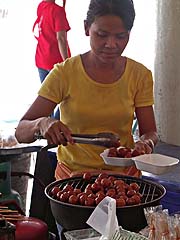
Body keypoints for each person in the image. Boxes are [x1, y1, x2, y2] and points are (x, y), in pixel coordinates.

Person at [16, 0, 159, 190]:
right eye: (102, 35)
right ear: (86, 28)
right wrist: (42, 124)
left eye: (121, 36)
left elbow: (150, 132)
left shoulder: (140, 75)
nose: (111, 44)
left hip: (124, 184)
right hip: (72, 183)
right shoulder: (64, 73)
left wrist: (145, 143)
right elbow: (21, 132)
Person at [33, 0, 71, 119]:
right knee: (66, 99)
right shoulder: (58, 11)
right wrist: (67, 63)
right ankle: (54, 125)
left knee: (46, 100)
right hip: (56, 62)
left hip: (41, 58)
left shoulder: (41, 6)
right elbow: (61, 39)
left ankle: (46, 128)